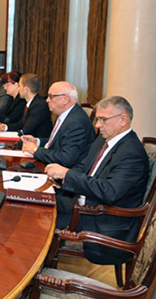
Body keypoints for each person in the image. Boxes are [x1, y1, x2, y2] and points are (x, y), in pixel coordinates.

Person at [45, 96, 149, 265]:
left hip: (103, 223)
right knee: (35, 205)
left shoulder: (132, 153)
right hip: (82, 206)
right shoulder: (103, 140)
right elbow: (83, 167)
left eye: (103, 120)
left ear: (122, 120)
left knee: (41, 224)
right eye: (98, 119)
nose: (97, 125)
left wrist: (68, 175)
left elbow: (109, 192)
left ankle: (37, 272)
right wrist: (62, 179)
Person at [21, 81, 96, 167]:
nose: (47, 100)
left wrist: (35, 150)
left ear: (65, 99)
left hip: (64, 171)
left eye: (51, 96)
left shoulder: (76, 122)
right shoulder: (65, 115)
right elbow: (57, 143)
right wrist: (37, 141)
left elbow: (66, 158)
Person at [0, 73, 53, 139]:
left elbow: (26, 130)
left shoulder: (39, 106)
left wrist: (15, 137)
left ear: (26, 89)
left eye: (19, 86)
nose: (18, 89)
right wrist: (5, 127)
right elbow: (21, 124)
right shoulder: (32, 103)